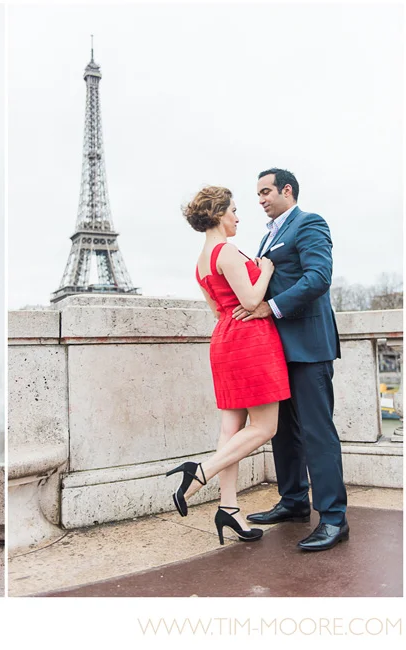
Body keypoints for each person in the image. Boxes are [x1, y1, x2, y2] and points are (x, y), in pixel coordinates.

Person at [168, 185, 290, 545]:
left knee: (231, 429)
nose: (238, 216)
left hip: (224, 339)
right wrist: (265, 269)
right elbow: (252, 300)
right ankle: (199, 472)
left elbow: (218, 309)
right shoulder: (227, 251)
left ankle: (229, 509)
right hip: (250, 341)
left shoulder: (201, 261)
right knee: (266, 427)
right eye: (234, 210)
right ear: (219, 213)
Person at [235, 168, 348, 552]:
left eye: (266, 191)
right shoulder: (268, 236)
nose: (261, 199)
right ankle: (294, 501)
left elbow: (319, 277)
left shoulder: (309, 223)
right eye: (258, 194)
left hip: (310, 348)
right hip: (277, 351)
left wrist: (272, 307)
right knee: (282, 431)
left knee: (318, 434)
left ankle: (333, 519)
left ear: (287, 190)